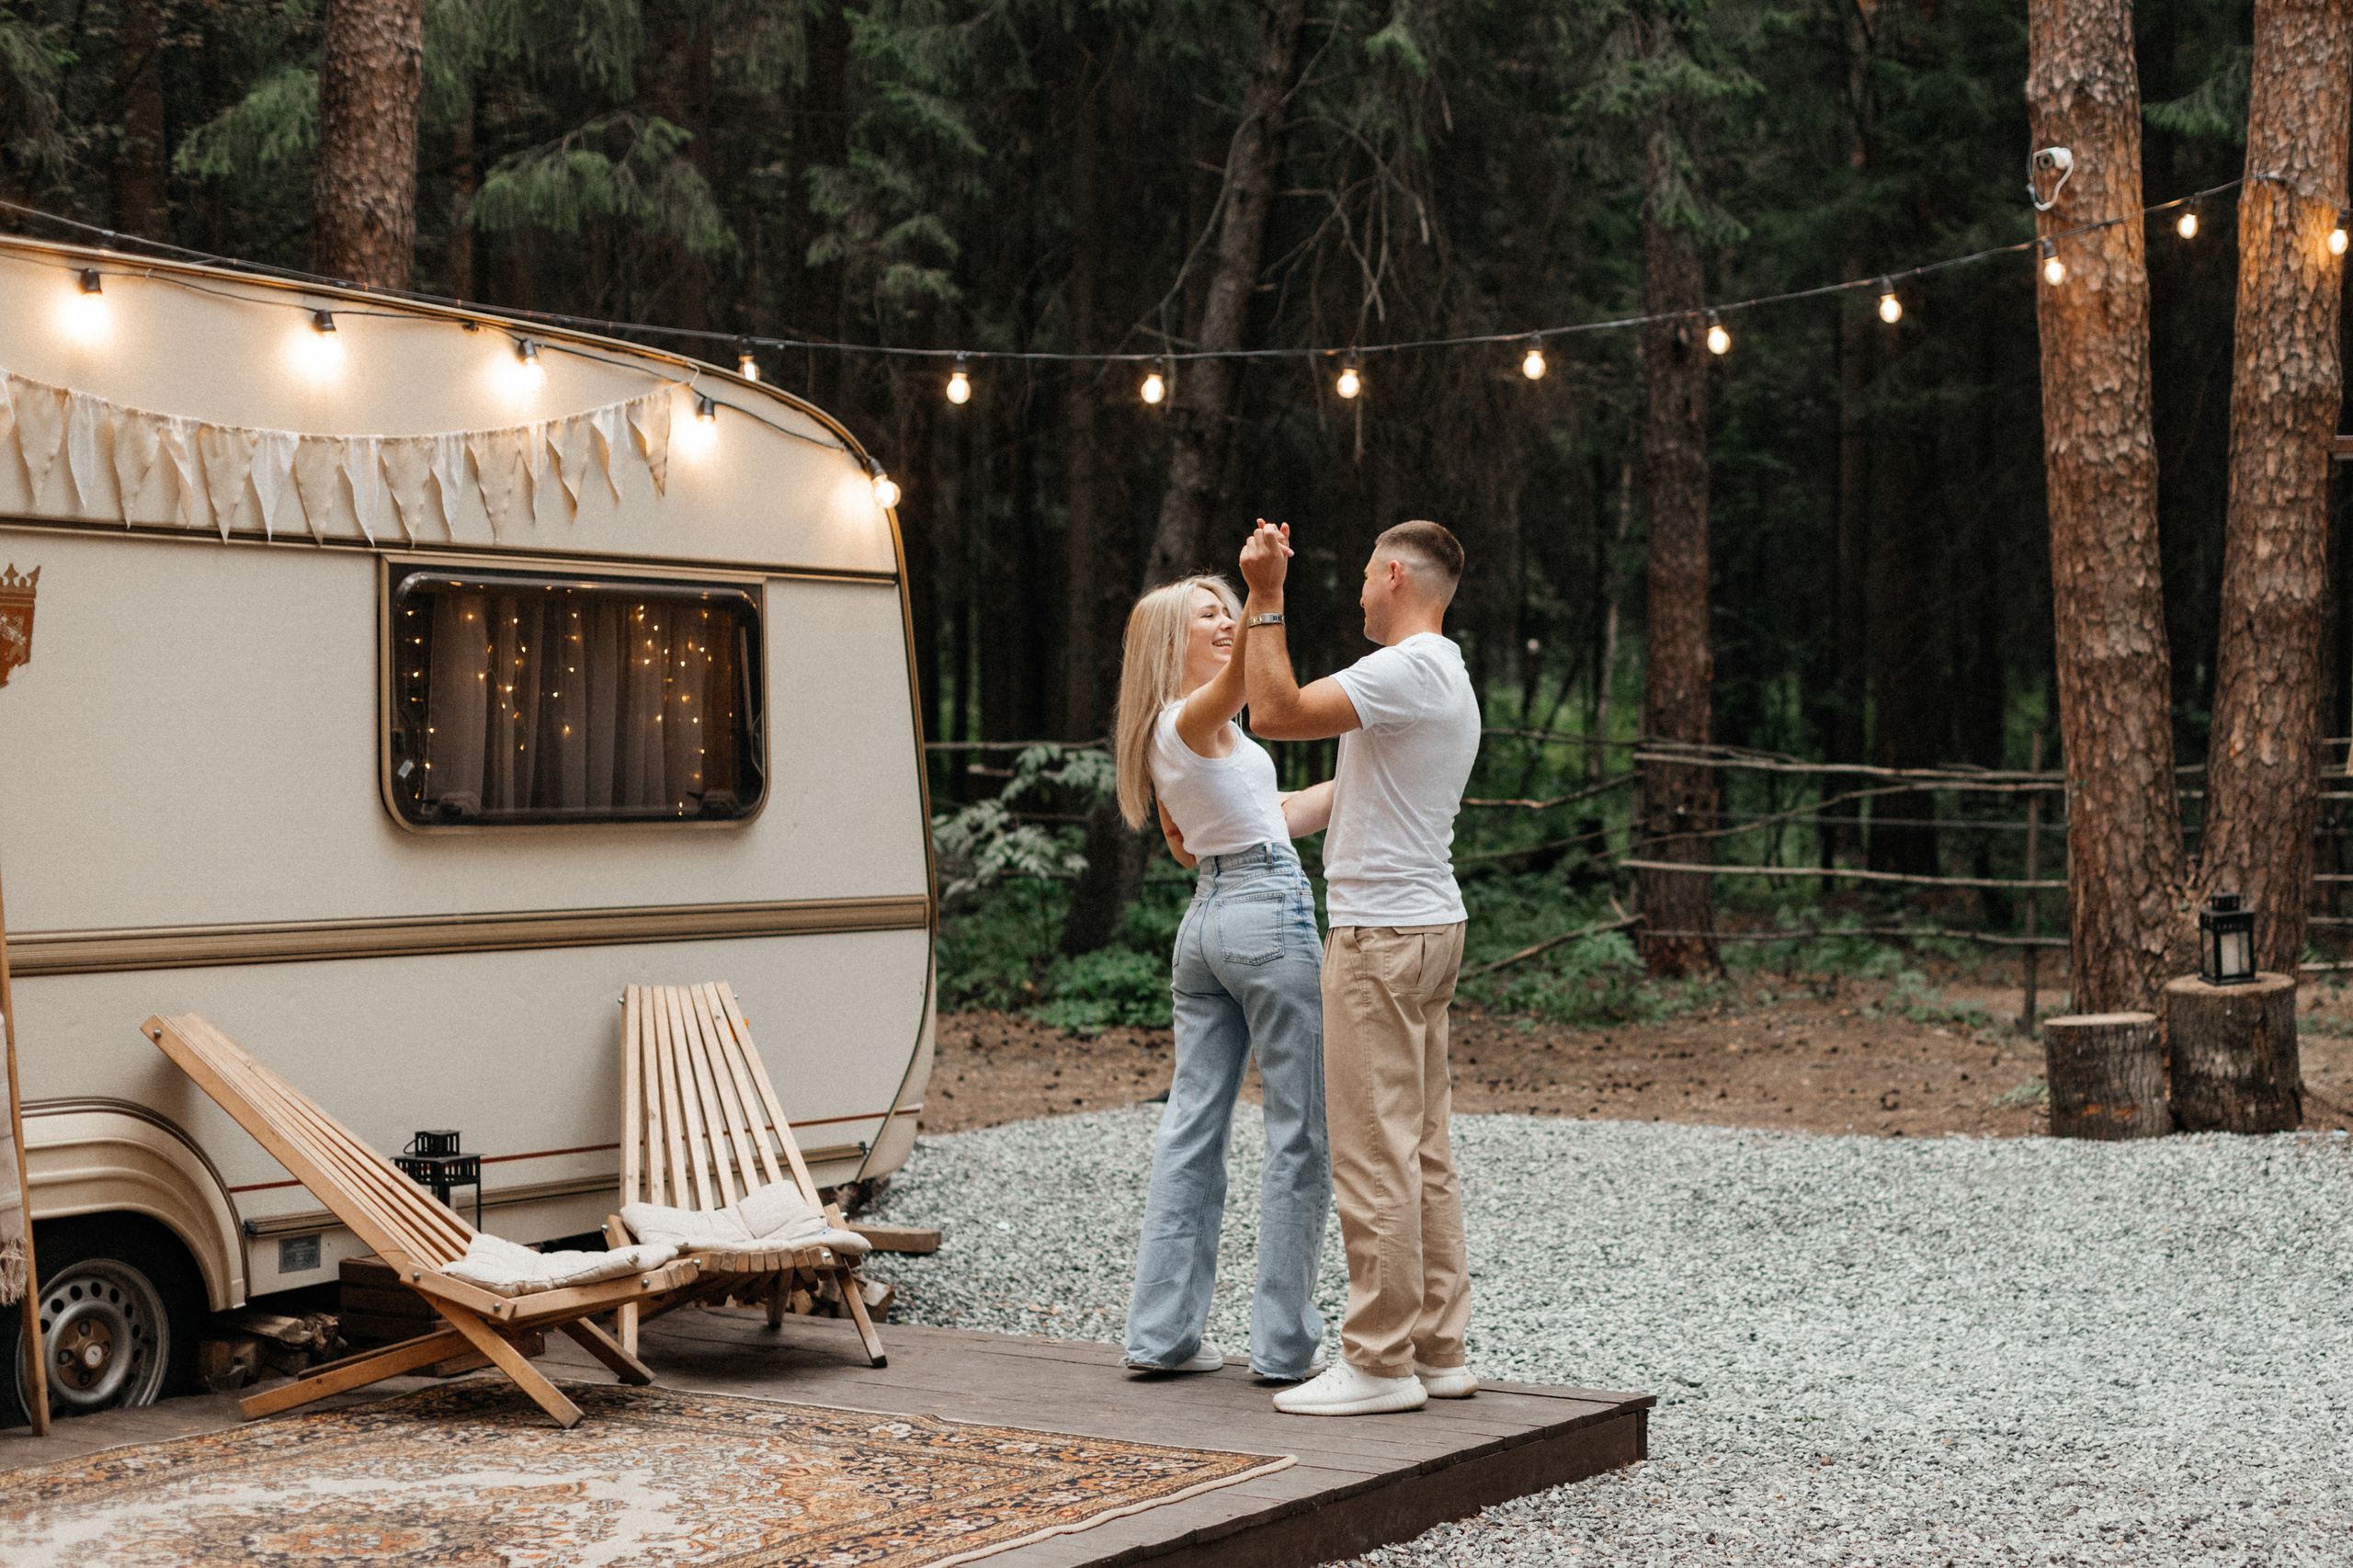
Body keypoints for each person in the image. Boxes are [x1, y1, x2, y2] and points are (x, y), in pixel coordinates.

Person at [1238, 517, 1482, 1417]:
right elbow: (1353, 792)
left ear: (1391, 573)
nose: (1357, 595)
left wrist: (1265, 593)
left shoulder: (1404, 666)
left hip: (1381, 940)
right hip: (1423, 927)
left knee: (1373, 1152)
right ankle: (1436, 1348)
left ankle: (1378, 1361)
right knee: (1419, 1149)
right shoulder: (1441, 673)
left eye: (1364, 579)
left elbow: (1274, 713)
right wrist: (1249, 818)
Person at [1112, 574, 1336, 1382]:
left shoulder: (1209, 741)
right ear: (1168, 645)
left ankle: (1162, 1338)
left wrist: (1374, 769)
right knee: (1300, 1134)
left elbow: (1283, 813)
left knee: (1192, 1131)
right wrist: (1266, 589)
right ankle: (1284, 1348)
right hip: (1266, 917)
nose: (1224, 623)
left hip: (1209, 923)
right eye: (1207, 614)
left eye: (1225, 612)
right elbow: (1244, 674)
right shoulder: (1189, 718)